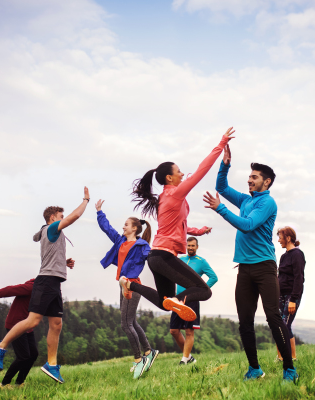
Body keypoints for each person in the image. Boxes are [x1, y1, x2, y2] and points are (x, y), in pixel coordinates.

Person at [202, 144, 299, 382]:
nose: (249, 180)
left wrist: (221, 209)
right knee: (244, 321)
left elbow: (247, 225)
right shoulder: (245, 200)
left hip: (265, 268)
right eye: (249, 176)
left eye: (254, 177)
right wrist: (225, 165)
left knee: (273, 317)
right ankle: (254, 369)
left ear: (266, 182)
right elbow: (221, 187)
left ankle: (289, 369)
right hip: (244, 269)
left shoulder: (267, 203)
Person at [122, 128, 235, 321]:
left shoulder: (165, 198)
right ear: (169, 178)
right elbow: (202, 170)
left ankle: (130, 284)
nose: (182, 174)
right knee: (203, 290)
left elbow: (177, 227)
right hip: (163, 257)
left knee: (163, 302)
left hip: (155, 256)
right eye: (179, 171)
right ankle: (177, 300)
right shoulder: (174, 193)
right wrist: (221, 143)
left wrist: (198, 232)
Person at [0, 187, 90, 384]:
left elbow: (37, 238)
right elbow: (73, 217)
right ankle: (0, 347)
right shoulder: (53, 228)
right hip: (46, 281)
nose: (63, 218)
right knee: (33, 321)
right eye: (60, 215)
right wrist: (86, 200)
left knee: (56, 324)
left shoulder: (47, 230)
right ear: (52, 217)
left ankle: (51, 365)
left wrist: (64, 262)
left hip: (54, 282)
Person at [95, 199, 159, 379]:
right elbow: (107, 228)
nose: (123, 227)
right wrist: (100, 212)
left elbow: (153, 258)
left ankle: (140, 359)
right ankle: (149, 352)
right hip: (122, 283)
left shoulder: (142, 246)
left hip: (132, 285)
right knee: (132, 322)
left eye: (126, 225)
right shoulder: (121, 241)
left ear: (134, 229)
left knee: (125, 324)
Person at [0, 273, 64, 389]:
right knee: (23, 356)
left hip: (27, 326)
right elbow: (7, 290)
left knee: (33, 355)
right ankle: (4, 384)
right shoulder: (31, 288)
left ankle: (19, 383)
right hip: (15, 324)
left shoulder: (45, 290)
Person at [169, 236, 218, 365]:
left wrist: (200, 291)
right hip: (178, 300)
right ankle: (189, 357)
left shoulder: (201, 261)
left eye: (193, 245)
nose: (190, 248)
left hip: (191, 300)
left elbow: (213, 277)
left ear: (197, 247)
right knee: (174, 331)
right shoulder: (180, 260)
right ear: (186, 246)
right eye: (188, 245)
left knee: (189, 331)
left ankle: (184, 360)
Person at [276, 226, 305, 362]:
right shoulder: (283, 256)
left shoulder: (297, 255)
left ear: (288, 238)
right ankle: (280, 357)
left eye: (280, 238)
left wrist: (293, 299)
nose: (278, 241)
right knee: (277, 324)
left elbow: (299, 278)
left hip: (292, 295)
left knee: (285, 325)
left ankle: (292, 358)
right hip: (281, 295)